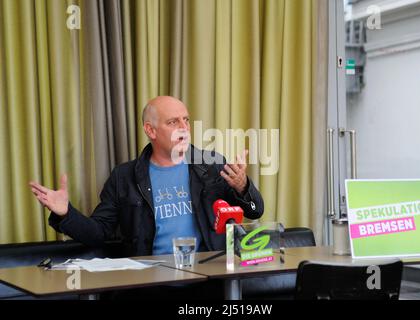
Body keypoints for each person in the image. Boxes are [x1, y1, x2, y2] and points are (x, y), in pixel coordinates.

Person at [29, 96, 264, 257]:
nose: (184, 127)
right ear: (150, 130)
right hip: (150, 285)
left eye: (186, 120)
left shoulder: (211, 165)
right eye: (173, 122)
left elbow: (255, 211)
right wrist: (66, 213)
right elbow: (99, 234)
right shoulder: (124, 177)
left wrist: (242, 186)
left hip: (208, 281)